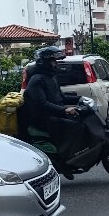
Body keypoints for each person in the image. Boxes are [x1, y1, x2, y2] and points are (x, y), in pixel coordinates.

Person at [23, 46, 82, 176]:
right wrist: (65, 111)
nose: (56, 64)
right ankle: (65, 161)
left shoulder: (50, 77)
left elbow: (61, 97)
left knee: (80, 119)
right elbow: (42, 104)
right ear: (44, 62)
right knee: (75, 127)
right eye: (53, 61)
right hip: (43, 119)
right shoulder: (36, 80)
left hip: (53, 114)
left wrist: (80, 99)